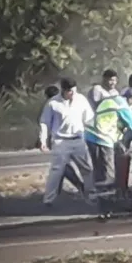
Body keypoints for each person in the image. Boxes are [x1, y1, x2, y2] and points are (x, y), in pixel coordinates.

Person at [38, 77, 97, 207]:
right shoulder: (53, 103)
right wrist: (43, 140)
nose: (72, 94)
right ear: (63, 90)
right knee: (56, 171)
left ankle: (91, 195)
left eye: (74, 90)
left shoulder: (81, 100)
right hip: (60, 141)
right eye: (69, 91)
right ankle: (48, 200)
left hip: (78, 140)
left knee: (87, 168)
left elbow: (89, 119)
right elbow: (44, 123)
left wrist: (97, 133)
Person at [84, 88, 132, 190]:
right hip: (101, 137)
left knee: (99, 170)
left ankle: (97, 194)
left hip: (91, 135)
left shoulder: (114, 100)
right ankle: (106, 198)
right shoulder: (123, 106)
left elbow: (114, 123)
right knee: (109, 175)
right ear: (131, 99)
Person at [37, 85, 85, 193]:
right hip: (64, 140)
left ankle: (77, 185)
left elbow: (43, 124)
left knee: (63, 166)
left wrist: (43, 141)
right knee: (63, 166)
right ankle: (62, 188)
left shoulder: (49, 105)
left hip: (59, 141)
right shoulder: (55, 105)